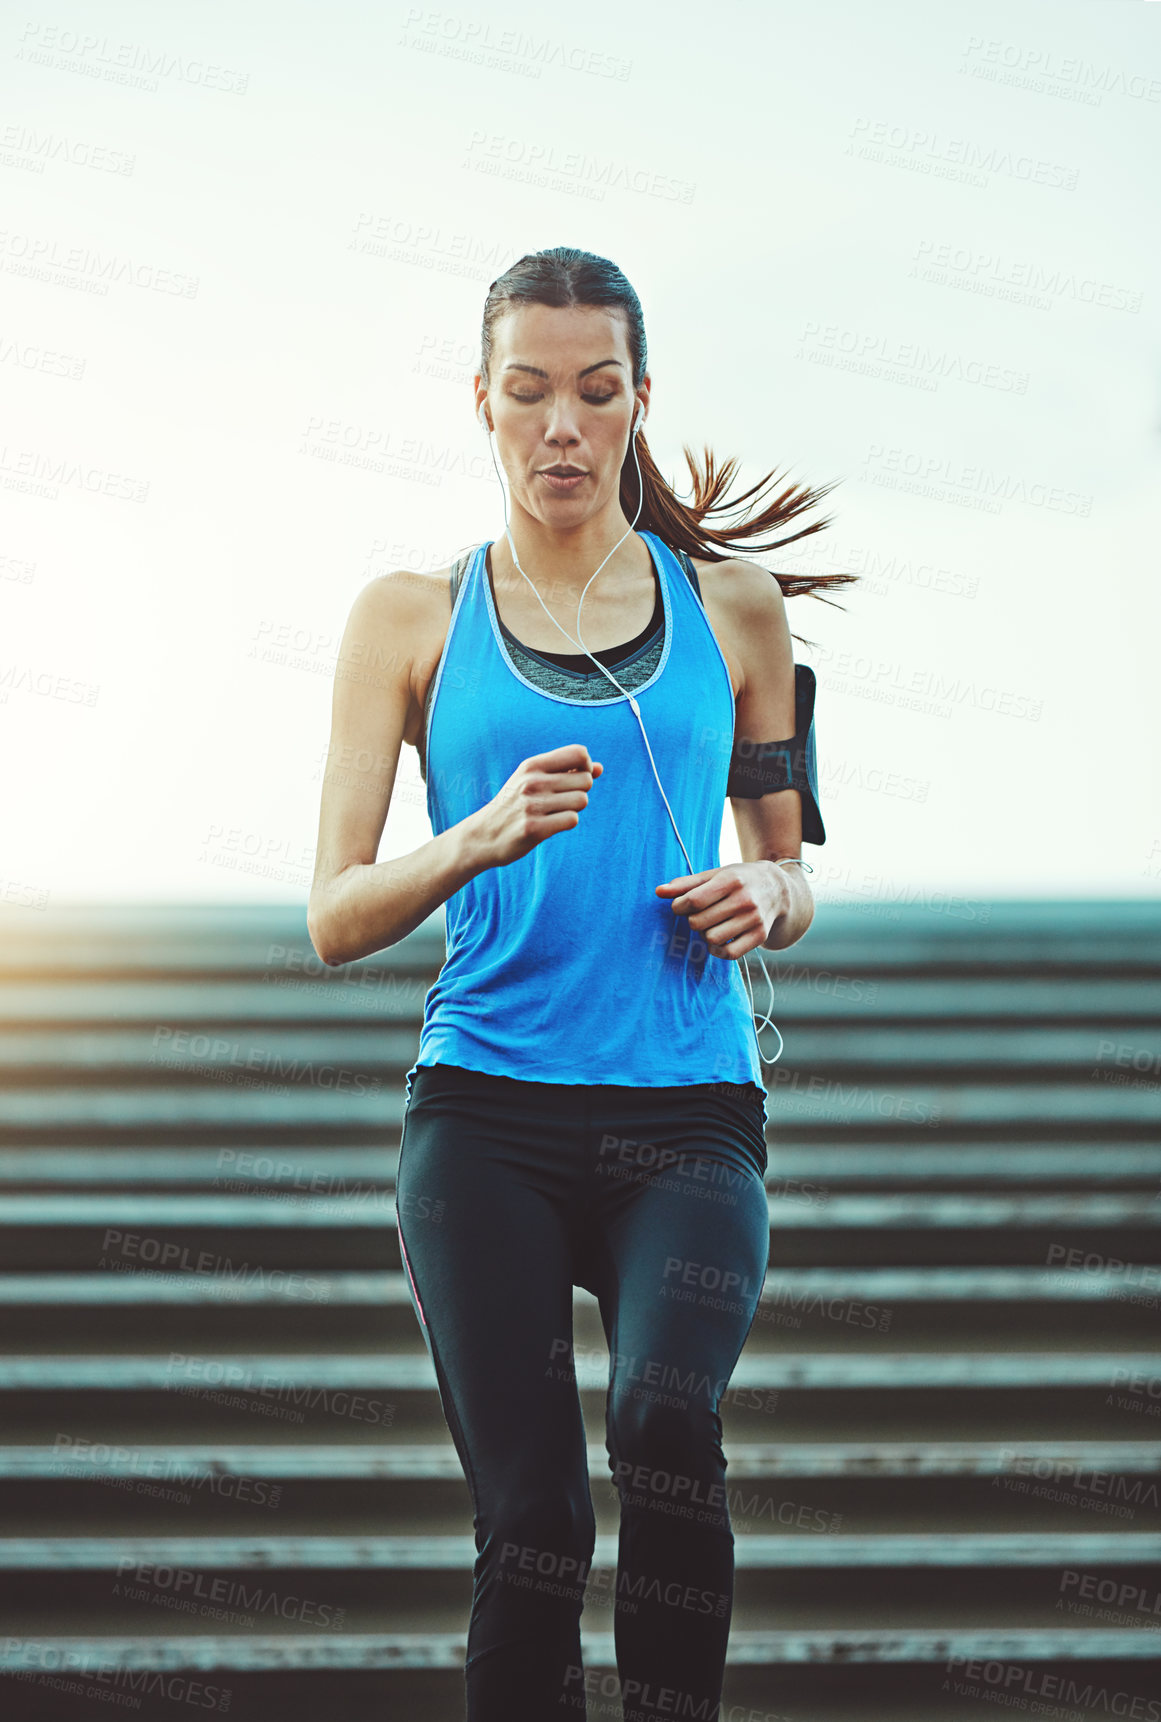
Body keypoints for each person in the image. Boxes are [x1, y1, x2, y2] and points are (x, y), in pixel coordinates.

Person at [308, 247, 854, 1722]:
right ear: (481, 400)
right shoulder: (407, 617)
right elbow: (332, 914)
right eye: (531, 391)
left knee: (666, 1417)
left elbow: (793, 867)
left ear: (638, 402)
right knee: (535, 1526)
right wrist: (472, 837)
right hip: (483, 1113)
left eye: (595, 392)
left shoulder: (735, 611)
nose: (563, 424)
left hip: (685, 1107)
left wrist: (771, 892)